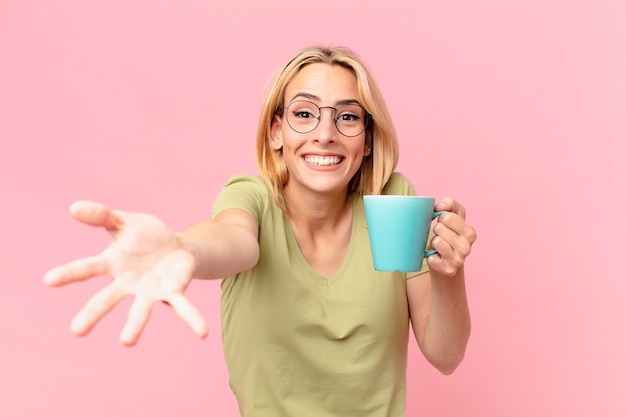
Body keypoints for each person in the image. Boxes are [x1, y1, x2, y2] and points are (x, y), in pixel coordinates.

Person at [45, 45, 477, 417]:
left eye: (347, 117)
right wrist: (182, 248)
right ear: (276, 132)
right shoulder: (249, 198)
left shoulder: (394, 202)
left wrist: (448, 272)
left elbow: (447, 355)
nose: (325, 134)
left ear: (366, 140)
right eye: (304, 113)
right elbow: (232, 240)